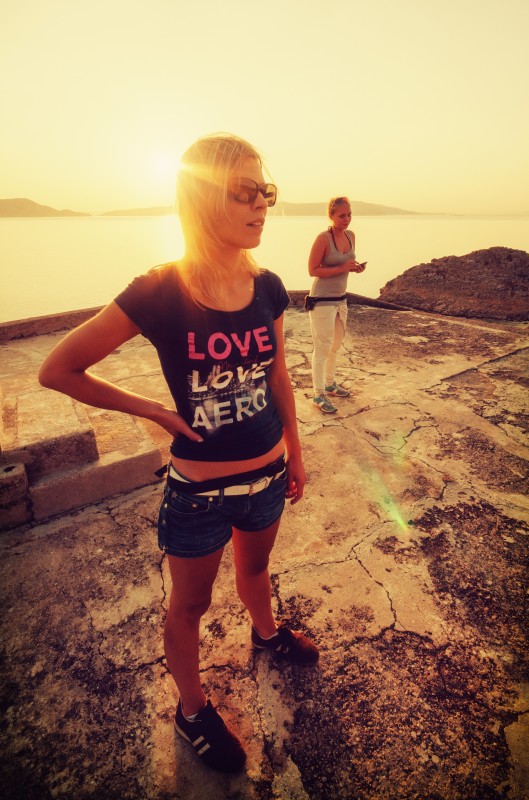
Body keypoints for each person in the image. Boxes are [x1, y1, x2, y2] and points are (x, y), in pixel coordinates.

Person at [38, 133, 318, 774]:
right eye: (244, 191)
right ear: (201, 198)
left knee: (257, 572)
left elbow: (277, 376)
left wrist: (295, 453)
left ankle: (267, 635)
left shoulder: (269, 286)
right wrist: (156, 411)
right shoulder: (160, 290)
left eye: (266, 191)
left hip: (268, 475)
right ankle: (192, 712)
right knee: (189, 606)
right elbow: (59, 369)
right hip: (199, 495)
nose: (262, 204)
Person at [307, 197, 366, 413]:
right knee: (322, 347)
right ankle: (318, 394)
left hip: (341, 299)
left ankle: (330, 384)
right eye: (342, 215)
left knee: (335, 345)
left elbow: (345, 265)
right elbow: (313, 270)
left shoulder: (351, 236)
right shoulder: (323, 239)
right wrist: (341, 268)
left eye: (349, 214)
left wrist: (355, 268)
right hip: (322, 300)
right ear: (331, 216)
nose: (347, 219)